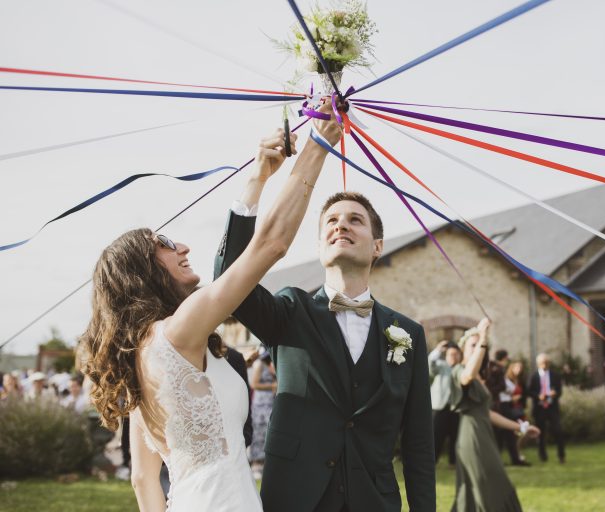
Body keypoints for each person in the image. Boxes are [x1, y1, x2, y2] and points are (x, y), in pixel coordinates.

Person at [79, 109, 341, 512]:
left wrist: (259, 175)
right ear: (141, 272)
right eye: (164, 243)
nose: (182, 246)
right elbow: (270, 245)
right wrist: (317, 146)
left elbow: (144, 478)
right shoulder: (177, 331)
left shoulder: (138, 353)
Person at [215, 190, 435, 510]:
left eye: (355, 220)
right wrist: (255, 184)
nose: (341, 225)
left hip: (375, 500)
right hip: (294, 498)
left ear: (377, 246)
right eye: (331, 221)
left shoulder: (407, 333)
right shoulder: (291, 310)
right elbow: (228, 278)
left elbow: (419, 442)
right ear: (320, 246)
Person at [451, 319, 539, 512]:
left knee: (485, 487)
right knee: (490, 485)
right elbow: (467, 377)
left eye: (480, 346)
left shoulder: (480, 378)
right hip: (472, 437)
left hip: (484, 435)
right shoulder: (460, 372)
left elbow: (488, 413)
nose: (477, 349)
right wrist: (482, 338)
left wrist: (522, 427)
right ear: (463, 349)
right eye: (472, 345)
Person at [527, 353, 565, 463]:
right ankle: (542, 456)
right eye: (543, 363)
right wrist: (538, 396)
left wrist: (555, 394)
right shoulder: (533, 376)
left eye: (547, 362)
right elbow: (529, 391)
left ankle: (561, 455)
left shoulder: (555, 375)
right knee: (540, 433)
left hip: (552, 407)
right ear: (538, 364)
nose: (545, 365)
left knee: (558, 431)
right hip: (539, 408)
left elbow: (559, 391)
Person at [429, 340, 462, 465]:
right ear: (446, 355)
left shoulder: (462, 368)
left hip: (455, 407)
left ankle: (453, 462)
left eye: (456, 354)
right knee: (436, 435)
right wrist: (438, 350)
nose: (454, 357)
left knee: (456, 436)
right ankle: (432, 461)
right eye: (451, 354)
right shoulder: (441, 366)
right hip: (439, 406)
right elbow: (430, 365)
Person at [495, 360, 530, 466]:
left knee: (512, 434)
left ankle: (515, 458)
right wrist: (511, 398)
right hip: (504, 406)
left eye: (520, 368)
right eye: (517, 367)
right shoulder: (505, 380)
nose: (519, 370)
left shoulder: (519, 380)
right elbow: (500, 394)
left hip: (513, 407)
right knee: (504, 433)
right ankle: (506, 459)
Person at [249, 350, 277, 474]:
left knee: (268, 431)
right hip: (261, 403)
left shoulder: (271, 364)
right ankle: (257, 461)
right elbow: (254, 384)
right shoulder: (260, 364)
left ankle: (266, 462)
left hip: (270, 402)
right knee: (259, 432)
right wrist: (271, 386)